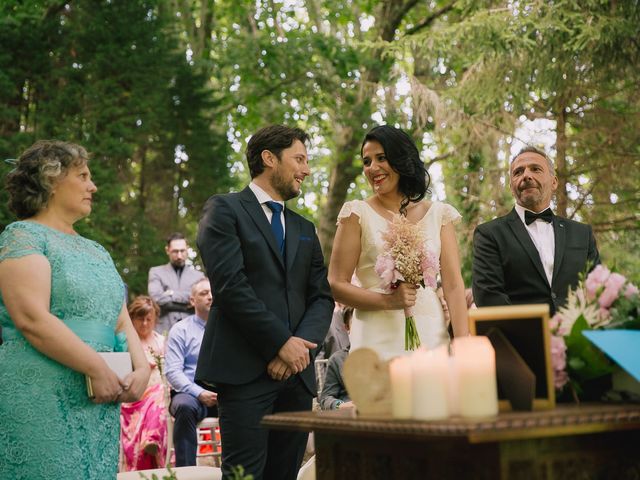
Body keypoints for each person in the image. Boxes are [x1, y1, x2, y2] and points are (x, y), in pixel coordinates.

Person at [0, 140, 150, 478]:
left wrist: (142, 370)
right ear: (51, 181)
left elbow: (121, 321)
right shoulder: (22, 236)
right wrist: (96, 367)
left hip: (99, 402)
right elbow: (32, 319)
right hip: (40, 395)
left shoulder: (97, 250)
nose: (92, 186)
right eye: (82, 176)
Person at [195, 125, 334, 480]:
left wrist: (297, 348)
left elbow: (321, 296)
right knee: (245, 476)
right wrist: (280, 343)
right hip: (244, 372)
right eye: (299, 159)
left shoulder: (304, 228)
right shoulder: (224, 209)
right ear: (269, 158)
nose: (306, 169)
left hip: (297, 376)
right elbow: (230, 286)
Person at [328, 125, 469, 360]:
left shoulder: (439, 215)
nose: (373, 168)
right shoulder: (356, 214)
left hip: (430, 333)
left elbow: (454, 285)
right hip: (375, 335)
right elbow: (335, 284)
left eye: (381, 158)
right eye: (366, 161)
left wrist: (463, 344)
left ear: (402, 159)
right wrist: (388, 301)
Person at [472, 146, 600, 315]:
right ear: (511, 187)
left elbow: (599, 290)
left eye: (536, 169)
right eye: (518, 172)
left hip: (576, 338)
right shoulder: (489, 234)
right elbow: (489, 297)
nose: (526, 175)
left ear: (554, 182)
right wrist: (533, 333)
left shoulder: (582, 234)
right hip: (520, 339)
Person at [165, 278, 217, 467]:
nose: (210, 297)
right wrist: (200, 393)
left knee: (248, 404)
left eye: (212, 292)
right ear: (192, 300)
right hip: (190, 393)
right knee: (185, 407)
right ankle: (185, 472)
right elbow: (173, 372)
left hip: (225, 392)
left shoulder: (229, 329)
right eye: (203, 293)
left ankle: (238, 472)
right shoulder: (181, 330)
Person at [120, 296, 167, 471]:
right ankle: (151, 438)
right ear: (132, 319)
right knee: (160, 392)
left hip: (160, 397)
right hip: (135, 397)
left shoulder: (161, 341)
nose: (145, 324)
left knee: (162, 391)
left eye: (149, 319)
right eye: (141, 319)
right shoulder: (126, 343)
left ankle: (152, 439)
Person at [148, 232, 205, 334]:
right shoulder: (156, 272)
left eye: (182, 251)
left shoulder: (199, 276)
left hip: (193, 332)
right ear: (167, 250)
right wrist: (189, 301)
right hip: (163, 332)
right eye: (175, 251)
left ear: (187, 249)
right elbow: (155, 298)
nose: (179, 256)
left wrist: (170, 293)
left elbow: (202, 300)